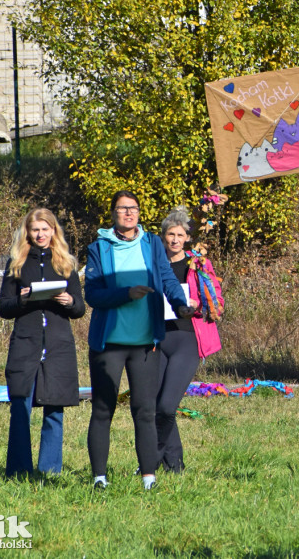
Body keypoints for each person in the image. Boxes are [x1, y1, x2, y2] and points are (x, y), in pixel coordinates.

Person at [85, 191, 195, 491]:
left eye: (133, 208)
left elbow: (167, 278)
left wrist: (180, 303)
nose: (129, 213)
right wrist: (125, 294)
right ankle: (99, 478)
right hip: (109, 343)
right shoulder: (98, 248)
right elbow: (92, 294)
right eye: (122, 209)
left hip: (146, 343)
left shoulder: (151, 245)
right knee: (103, 409)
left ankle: (149, 478)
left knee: (145, 411)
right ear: (113, 214)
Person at [0, 208, 85, 478]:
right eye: (35, 230)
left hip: (59, 345)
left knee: (54, 408)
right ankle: (18, 470)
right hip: (26, 343)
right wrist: (22, 299)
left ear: (53, 231)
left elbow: (80, 308)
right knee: (20, 405)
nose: (40, 234)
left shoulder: (66, 264)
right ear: (28, 232)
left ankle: (49, 471)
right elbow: (3, 307)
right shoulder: (16, 264)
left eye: (45, 229)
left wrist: (70, 302)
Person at [154, 207, 224, 474]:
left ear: (187, 238)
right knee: (153, 405)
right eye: (170, 234)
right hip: (156, 339)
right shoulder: (154, 264)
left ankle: (169, 463)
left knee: (167, 405)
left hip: (187, 339)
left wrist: (199, 303)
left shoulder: (198, 265)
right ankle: (169, 464)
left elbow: (216, 301)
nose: (174, 239)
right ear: (163, 237)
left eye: (179, 235)